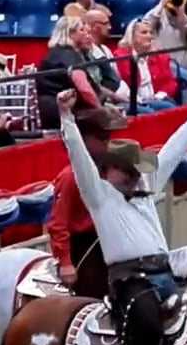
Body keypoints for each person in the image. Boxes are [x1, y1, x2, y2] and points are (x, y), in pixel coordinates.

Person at [54, 87, 187, 345]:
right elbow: (79, 158)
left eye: (116, 168)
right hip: (129, 279)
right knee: (147, 320)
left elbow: (172, 151)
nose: (107, 172)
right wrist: (66, 119)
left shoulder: (145, 190)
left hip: (163, 272)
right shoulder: (100, 196)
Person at [47, 108, 127, 297]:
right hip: (84, 249)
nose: (107, 142)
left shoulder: (109, 171)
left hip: (108, 243)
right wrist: (66, 262)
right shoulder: (70, 177)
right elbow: (58, 224)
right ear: (83, 139)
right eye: (101, 137)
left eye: (108, 137)